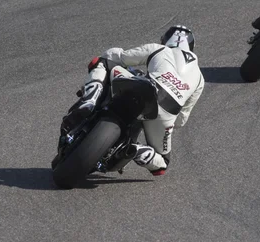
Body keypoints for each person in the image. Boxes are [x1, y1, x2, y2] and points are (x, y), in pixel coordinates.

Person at [61, 25, 205, 176]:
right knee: (162, 164)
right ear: (191, 47)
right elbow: (181, 120)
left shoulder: (159, 49)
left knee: (101, 62)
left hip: (145, 88)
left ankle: (89, 100)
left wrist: (109, 53)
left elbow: (121, 57)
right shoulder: (200, 79)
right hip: (167, 112)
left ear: (165, 40)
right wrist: (166, 124)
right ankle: (135, 150)